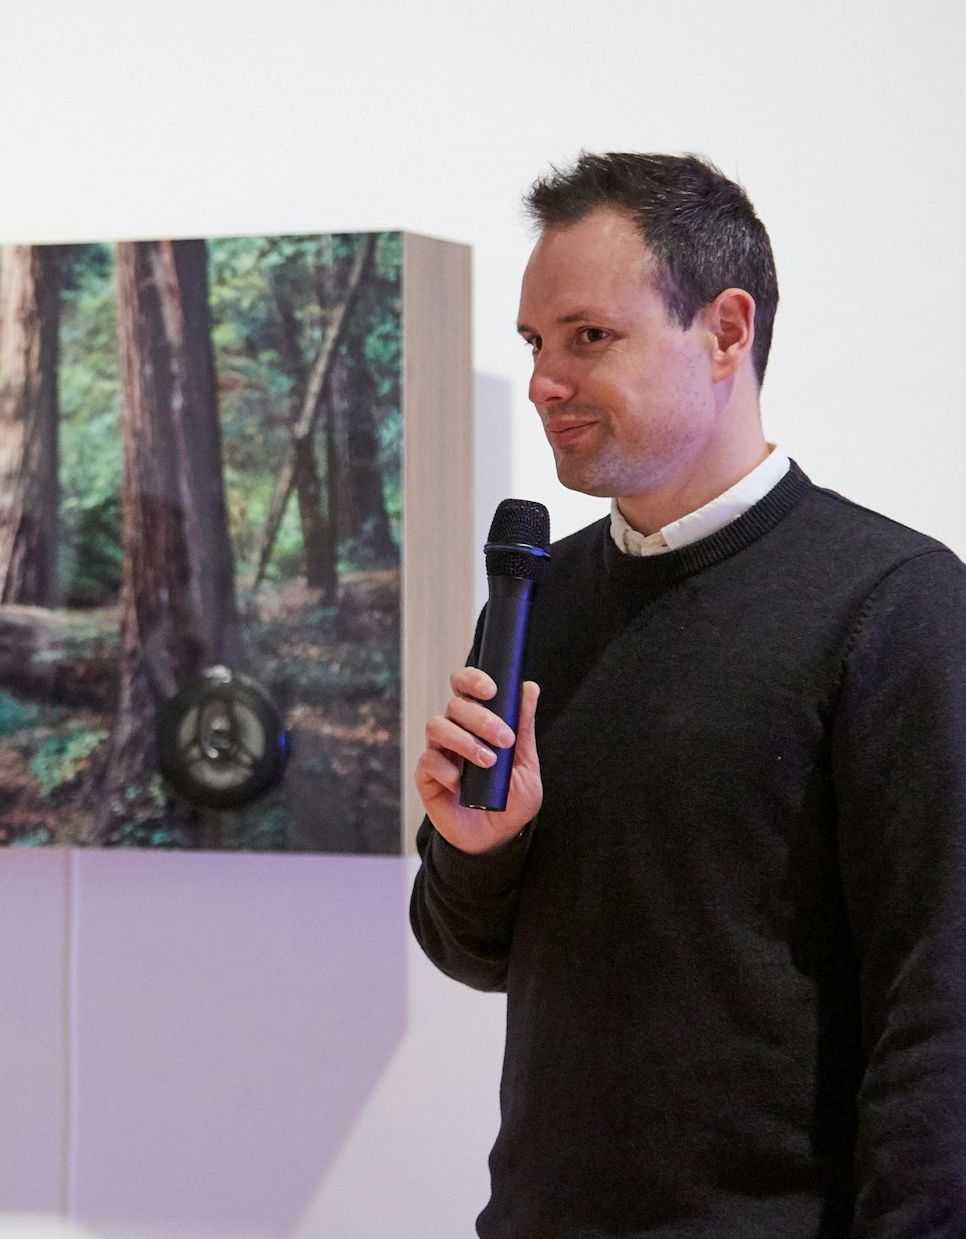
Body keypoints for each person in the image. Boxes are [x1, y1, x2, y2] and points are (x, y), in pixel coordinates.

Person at [411, 152, 966, 1237]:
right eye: (534, 344)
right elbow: (470, 953)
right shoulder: (538, 599)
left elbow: (940, 1001)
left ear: (722, 331)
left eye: (587, 337)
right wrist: (477, 849)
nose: (541, 382)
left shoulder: (893, 604)